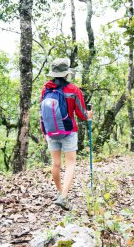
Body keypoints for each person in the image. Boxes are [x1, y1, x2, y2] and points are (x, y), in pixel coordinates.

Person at [40, 58, 93, 211]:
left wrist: (44, 131)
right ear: (66, 73)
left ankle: (60, 192)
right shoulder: (73, 90)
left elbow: (42, 112)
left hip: (51, 131)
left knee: (55, 164)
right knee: (70, 163)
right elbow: (82, 114)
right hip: (69, 131)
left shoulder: (46, 88)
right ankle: (63, 196)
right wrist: (89, 114)